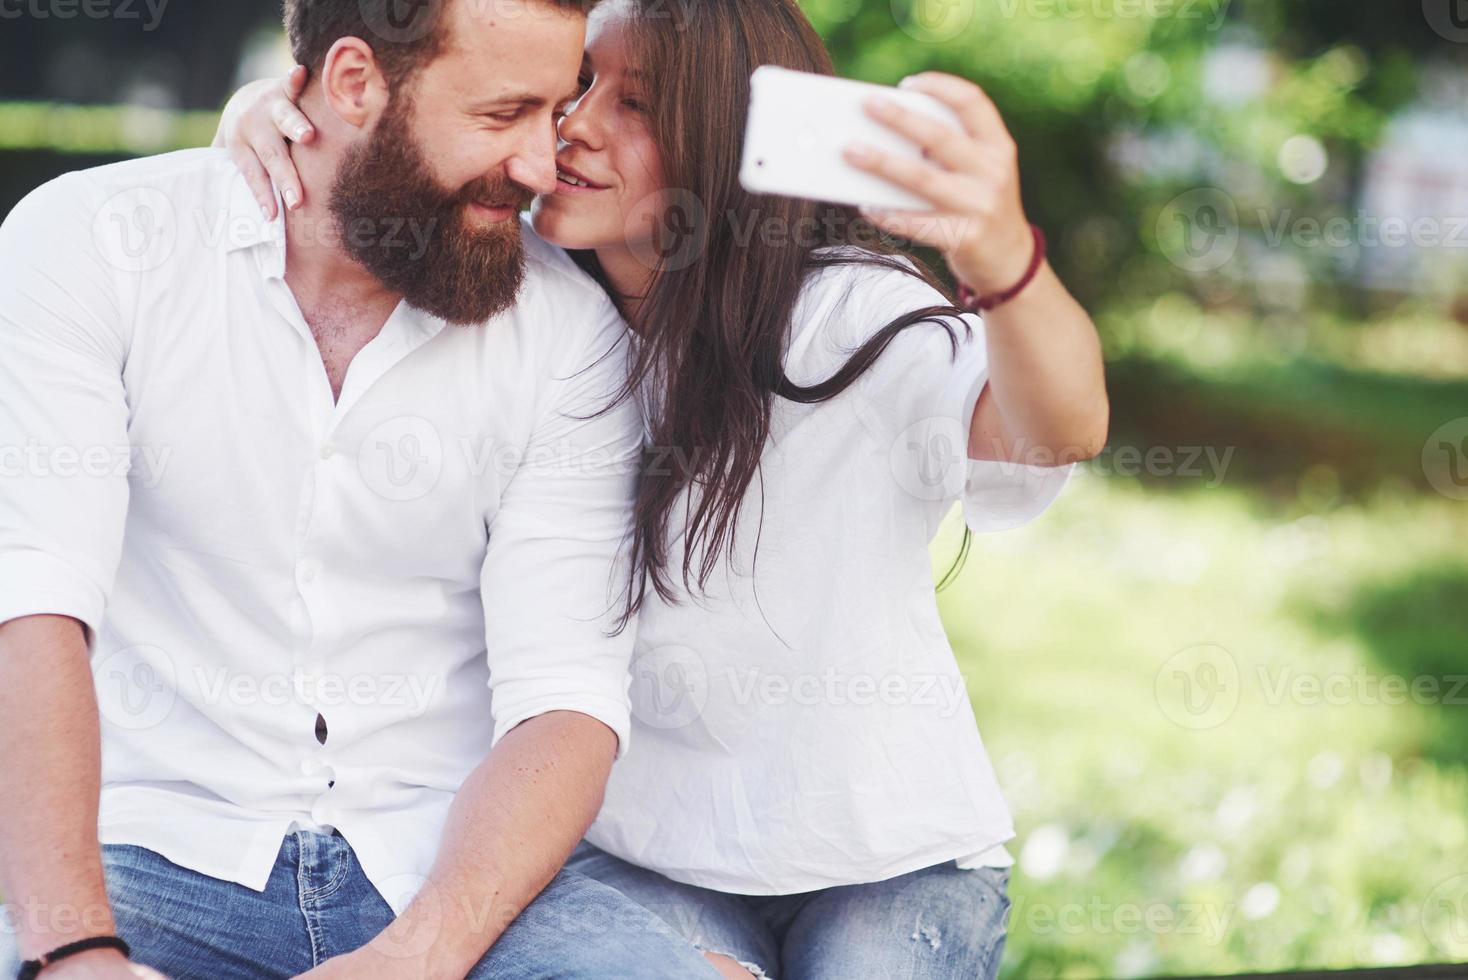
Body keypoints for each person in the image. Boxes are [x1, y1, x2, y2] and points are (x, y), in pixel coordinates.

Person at [217, 0, 1110, 976]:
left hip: (885, 857)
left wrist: (997, 253)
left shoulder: (842, 313)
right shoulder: (524, 290)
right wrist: (271, 114)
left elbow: (1056, 427)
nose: (576, 124)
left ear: (735, 140)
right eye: (579, 84)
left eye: (634, 103)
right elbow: (382, 168)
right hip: (633, 854)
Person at [0, 0, 729, 977]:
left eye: (552, 112)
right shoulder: (91, 244)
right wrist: (76, 950)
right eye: (501, 113)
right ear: (352, 84)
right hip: (146, 850)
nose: (539, 165)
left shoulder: (565, 330)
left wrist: (418, 954)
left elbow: (564, 700)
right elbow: (32, 605)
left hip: (456, 871)